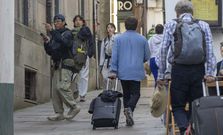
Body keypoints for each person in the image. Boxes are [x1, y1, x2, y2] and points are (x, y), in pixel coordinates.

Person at [157, 1, 216, 134]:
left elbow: (162, 51)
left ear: (177, 13)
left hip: (178, 70)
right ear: (192, 12)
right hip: (198, 71)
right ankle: (192, 128)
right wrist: (210, 72)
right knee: (196, 104)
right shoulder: (203, 25)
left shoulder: (171, 24)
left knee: (178, 106)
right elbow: (210, 50)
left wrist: (161, 75)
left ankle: (184, 129)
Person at [109, 17, 150, 126]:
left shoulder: (118, 39)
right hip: (136, 70)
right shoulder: (142, 39)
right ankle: (130, 109)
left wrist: (113, 70)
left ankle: (128, 113)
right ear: (136, 26)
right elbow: (147, 56)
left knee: (126, 94)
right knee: (136, 93)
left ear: (125, 26)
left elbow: (115, 56)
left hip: (123, 70)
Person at [42, 14, 80, 121]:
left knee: (62, 87)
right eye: (55, 21)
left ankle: (74, 106)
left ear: (64, 22)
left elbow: (65, 44)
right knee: (55, 90)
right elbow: (51, 51)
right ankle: (59, 113)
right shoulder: (55, 36)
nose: (56, 23)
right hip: (57, 64)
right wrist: (47, 43)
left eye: (58, 21)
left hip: (66, 65)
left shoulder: (67, 33)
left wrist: (52, 32)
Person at [72, 15, 94, 102]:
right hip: (73, 55)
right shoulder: (71, 32)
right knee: (73, 74)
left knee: (83, 75)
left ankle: (82, 94)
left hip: (84, 55)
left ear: (83, 22)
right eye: (76, 20)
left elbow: (91, 43)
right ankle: (75, 90)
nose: (78, 22)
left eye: (80, 20)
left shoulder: (86, 31)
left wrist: (89, 54)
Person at [99, 23, 116, 89]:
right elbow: (102, 53)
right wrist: (101, 64)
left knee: (113, 79)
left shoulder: (117, 39)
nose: (110, 29)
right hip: (106, 62)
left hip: (114, 61)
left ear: (114, 29)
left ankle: (113, 93)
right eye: (108, 28)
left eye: (111, 27)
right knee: (105, 78)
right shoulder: (105, 40)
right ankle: (106, 92)